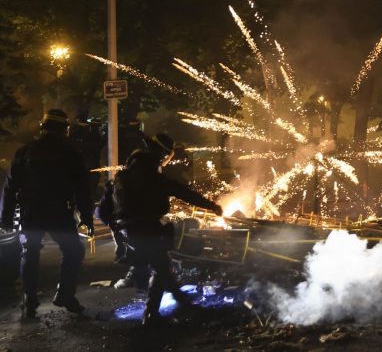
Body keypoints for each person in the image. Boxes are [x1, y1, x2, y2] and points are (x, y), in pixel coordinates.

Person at [105, 133, 223, 326]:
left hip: (128, 231)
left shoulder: (123, 176)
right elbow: (184, 193)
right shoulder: (152, 177)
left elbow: (105, 208)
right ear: (160, 155)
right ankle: (159, 313)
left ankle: (169, 306)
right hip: (146, 229)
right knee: (161, 269)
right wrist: (212, 206)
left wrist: (117, 230)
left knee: (161, 268)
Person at [0, 109, 93, 318]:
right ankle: (66, 294)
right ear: (65, 129)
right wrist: (86, 217)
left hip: (31, 212)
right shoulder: (71, 153)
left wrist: (6, 219)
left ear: (43, 127)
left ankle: (29, 301)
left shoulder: (25, 152)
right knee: (73, 251)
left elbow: (10, 187)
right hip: (60, 213)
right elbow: (82, 189)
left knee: (30, 253)